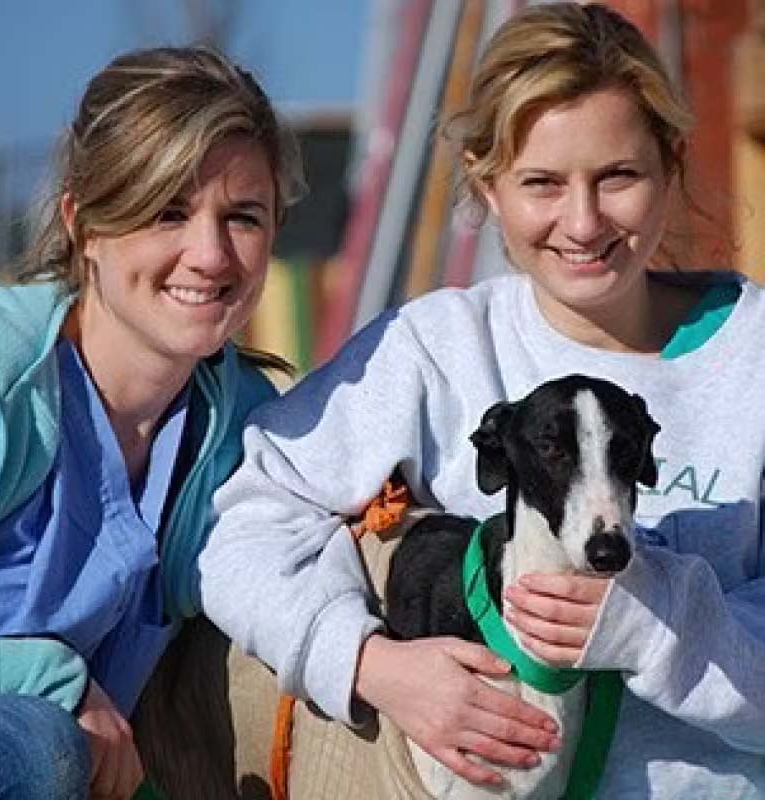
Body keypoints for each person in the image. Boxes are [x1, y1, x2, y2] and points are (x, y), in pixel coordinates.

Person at [199, 3, 765, 797]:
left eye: (618, 176)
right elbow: (247, 528)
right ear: (486, 185)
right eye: (542, 182)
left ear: (672, 165)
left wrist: (663, 626)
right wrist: (366, 662)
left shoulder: (753, 358)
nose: (583, 220)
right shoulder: (436, 349)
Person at [0, 45, 303, 800]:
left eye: (242, 217)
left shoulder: (242, 425)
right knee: (35, 743)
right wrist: (55, 684)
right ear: (84, 225)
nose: (210, 254)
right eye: (168, 211)